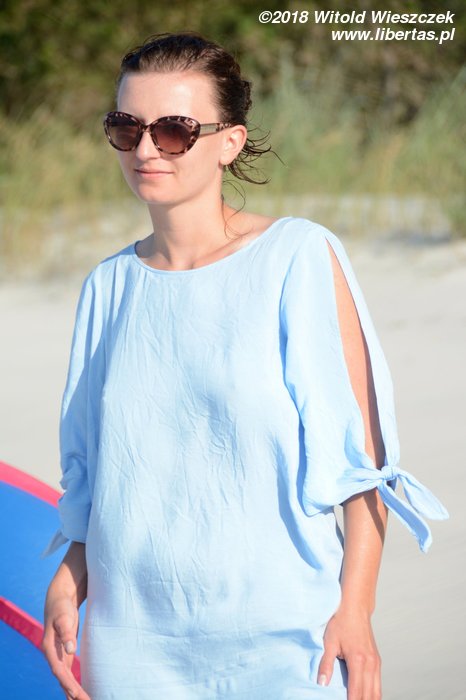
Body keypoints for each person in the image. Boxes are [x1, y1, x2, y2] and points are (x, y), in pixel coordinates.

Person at [41, 32, 448, 700]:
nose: (146, 149)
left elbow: (361, 466)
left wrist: (356, 612)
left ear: (229, 142)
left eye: (174, 130)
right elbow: (96, 473)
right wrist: (69, 576)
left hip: (288, 639)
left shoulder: (296, 257)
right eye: (126, 127)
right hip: (130, 643)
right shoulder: (107, 286)